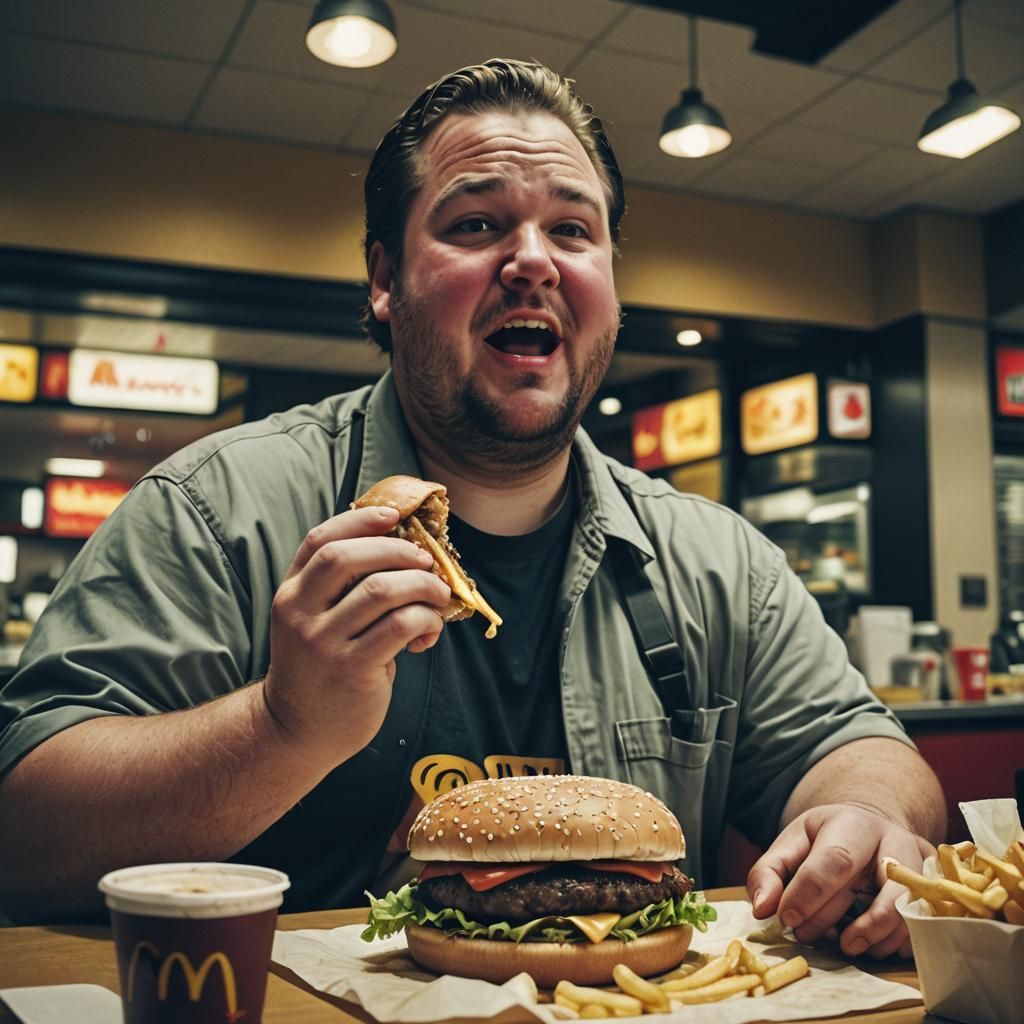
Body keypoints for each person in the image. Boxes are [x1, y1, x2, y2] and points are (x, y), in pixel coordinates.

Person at [0, 60, 944, 958]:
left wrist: (871, 811)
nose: (532, 260)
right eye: (477, 224)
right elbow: (26, 833)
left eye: (573, 230)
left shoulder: (715, 559)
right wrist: (283, 728)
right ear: (384, 280)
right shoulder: (216, 510)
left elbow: (861, 748)